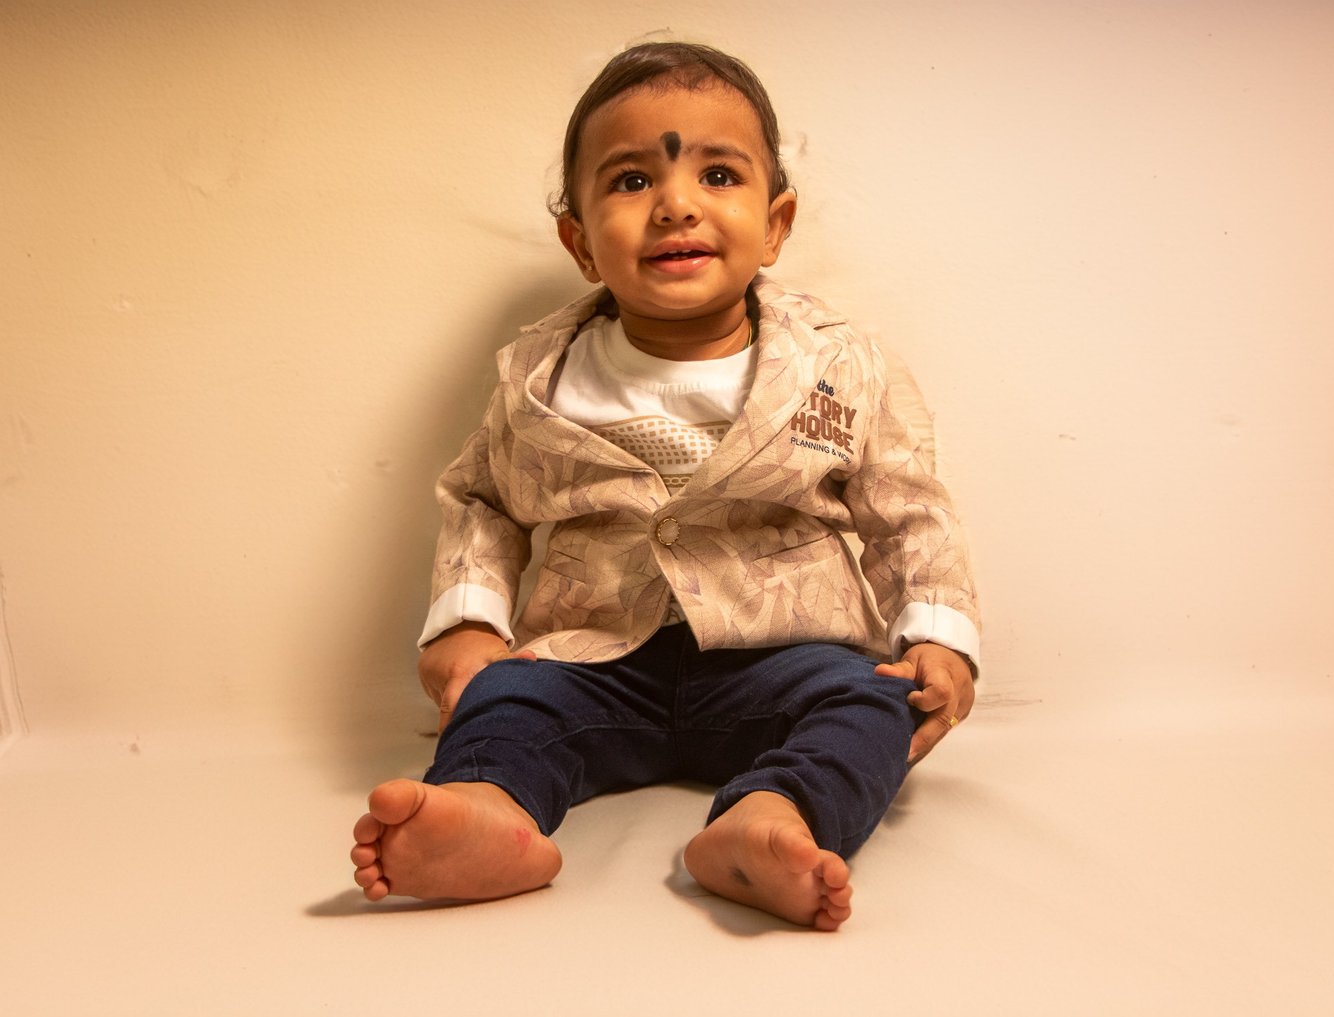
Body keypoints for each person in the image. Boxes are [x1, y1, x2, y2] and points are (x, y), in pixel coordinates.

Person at [349, 41, 980, 931]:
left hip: (783, 656)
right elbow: (482, 498)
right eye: (632, 181)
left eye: (718, 174)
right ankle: (491, 810)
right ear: (577, 240)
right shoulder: (539, 377)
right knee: (503, 700)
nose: (677, 204)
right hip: (595, 660)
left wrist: (938, 637)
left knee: (870, 700)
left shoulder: (840, 365)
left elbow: (909, 507)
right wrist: (467, 623)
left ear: (776, 223)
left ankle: (776, 814)